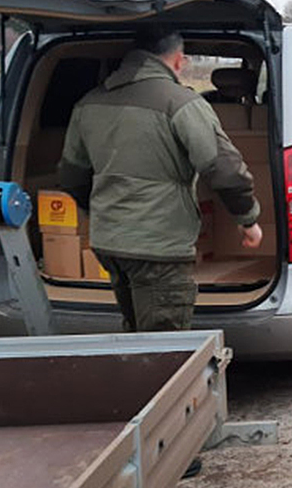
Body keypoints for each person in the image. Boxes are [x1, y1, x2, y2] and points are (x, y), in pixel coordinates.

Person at [58, 28, 263, 333]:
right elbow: (225, 169)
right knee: (164, 347)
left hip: (109, 243)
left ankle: (136, 378)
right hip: (158, 246)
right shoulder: (180, 103)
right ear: (178, 60)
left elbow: (71, 175)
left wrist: (105, 211)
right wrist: (248, 220)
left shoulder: (89, 102)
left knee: (137, 330)